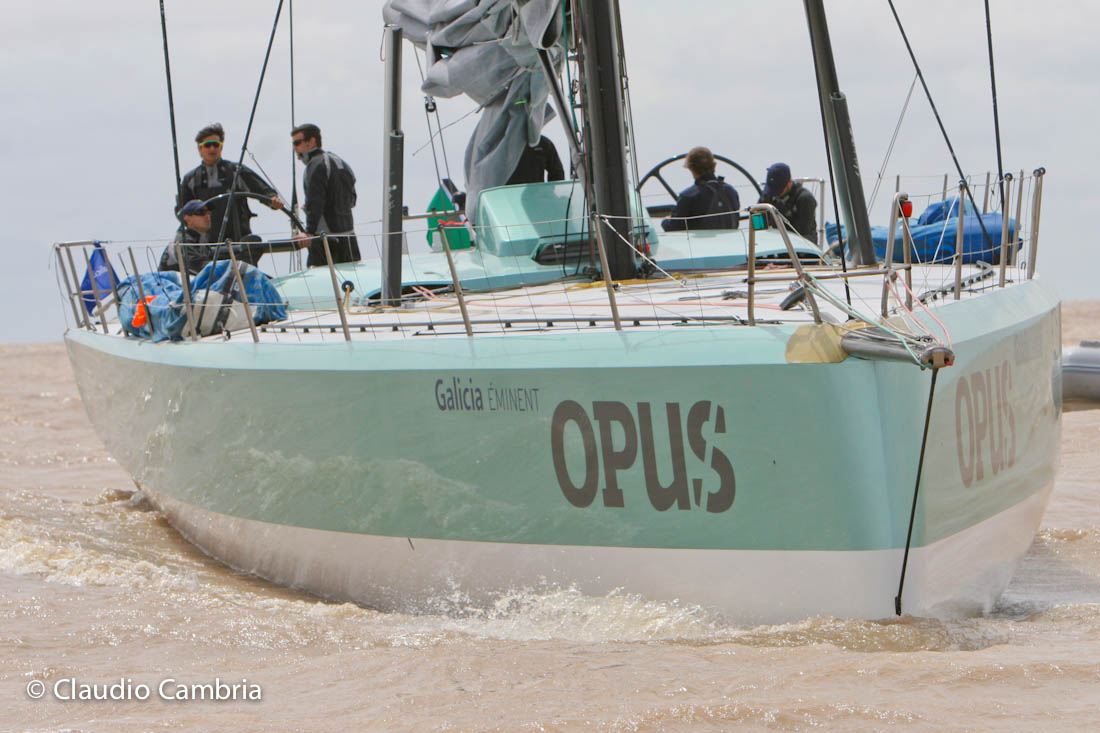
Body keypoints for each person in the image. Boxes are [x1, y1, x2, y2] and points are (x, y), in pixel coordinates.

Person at [179, 123, 283, 244]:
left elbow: (262, 190)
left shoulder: (236, 172)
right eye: (207, 145)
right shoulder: (191, 179)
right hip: (205, 246)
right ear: (200, 148)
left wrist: (272, 200)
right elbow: (182, 211)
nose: (212, 149)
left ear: (221, 147)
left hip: (238, 243)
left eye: (216, 144)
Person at [291, 123, 361, 266]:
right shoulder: (341, 162)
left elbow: (315, 202)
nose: (294, 148)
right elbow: (352, 201)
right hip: (349, 240)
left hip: (326, 242)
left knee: (318, 278)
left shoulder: (315, 165)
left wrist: (308, 233)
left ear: (311, 141)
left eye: (297, 143)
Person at [661, 147, 740, 232]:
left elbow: (674, 227)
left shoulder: (689, 196)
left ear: (691, 168)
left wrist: (665, 221)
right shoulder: (731, 191)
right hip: (731, 239)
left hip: (702, 240)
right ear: (713, 165)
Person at [758, 162, 817, 241]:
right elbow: (757, 222)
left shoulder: (805, 199)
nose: (775, 194)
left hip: (800, 243)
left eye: (778, 190)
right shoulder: (768, 195)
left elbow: (802, 231)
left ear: (789, 183)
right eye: (772, 189)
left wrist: (781, 211)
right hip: (774, 240)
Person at [159, 199, 217, 276]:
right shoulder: (183, 240)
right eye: (201, 212)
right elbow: (195, 265)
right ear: (188, 219)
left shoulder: (200, 239)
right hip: (176, 282)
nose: (207, 216)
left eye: (208, 212)